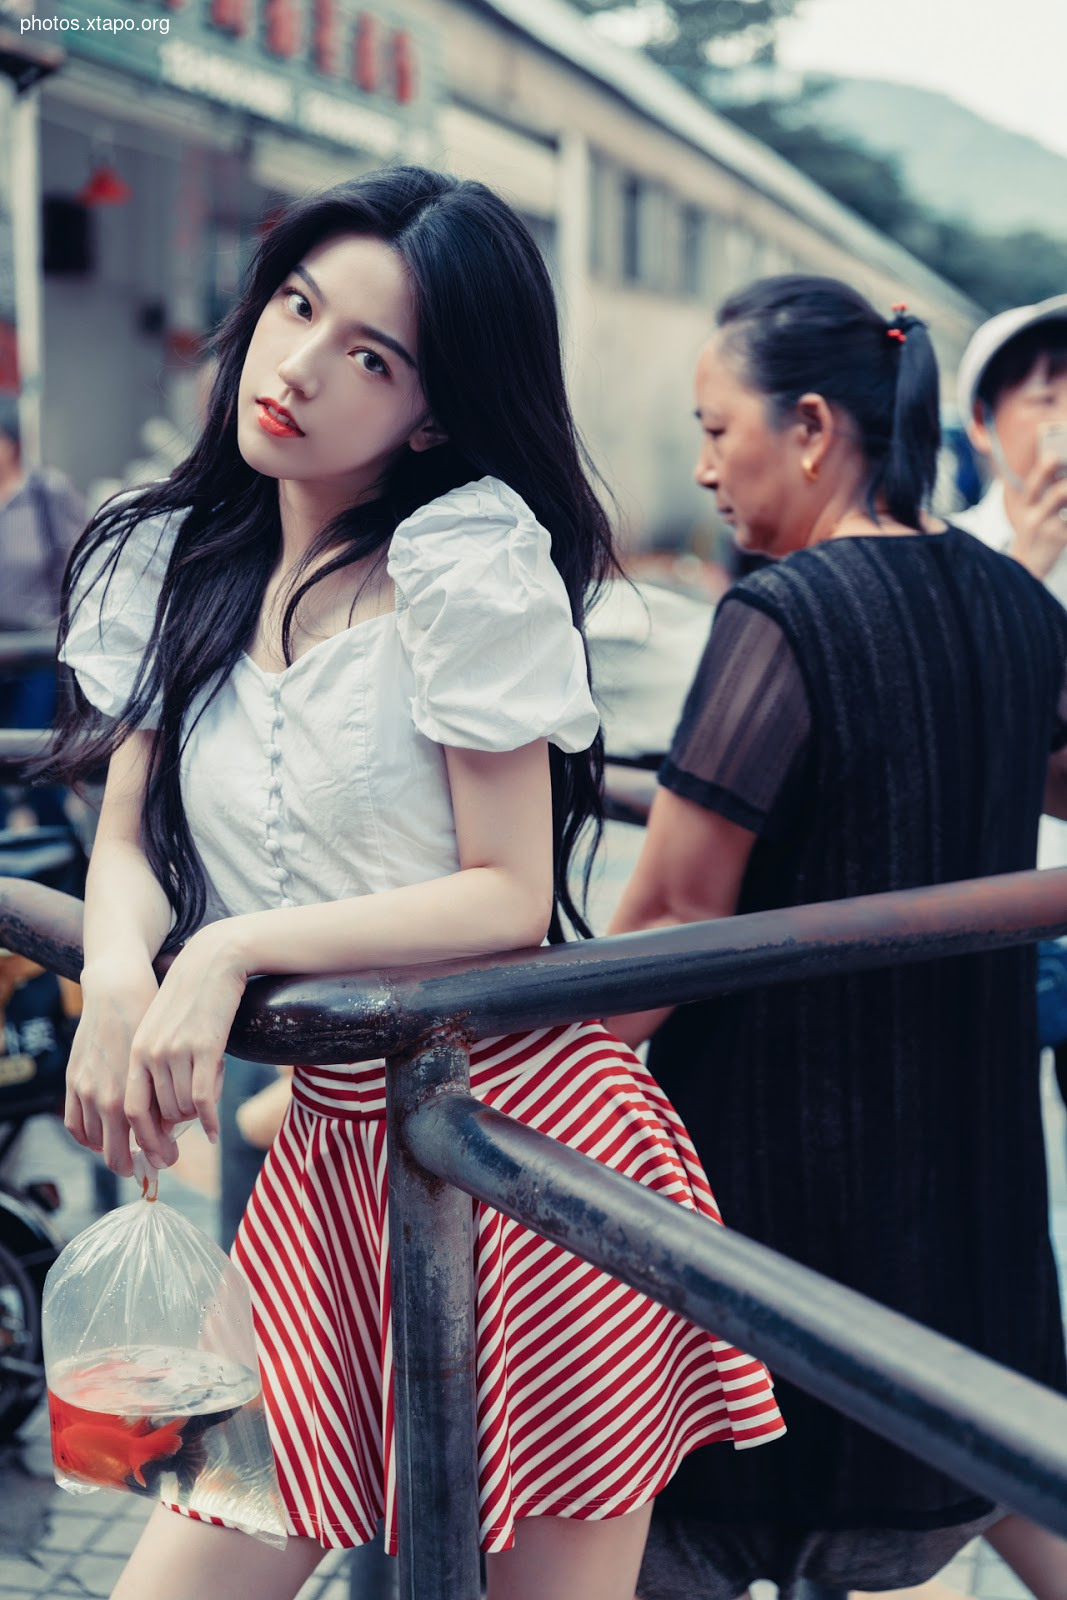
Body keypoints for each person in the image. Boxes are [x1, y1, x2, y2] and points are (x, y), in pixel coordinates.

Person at [46, 168, 784, 1600]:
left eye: (368, 355)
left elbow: (507, 895)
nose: (301, 364)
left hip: (524, 1144)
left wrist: (230, 951)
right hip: (330, 1161)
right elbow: (129, 839)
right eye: (298, 307)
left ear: (431, 410)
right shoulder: (172, 557)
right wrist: (125, 976)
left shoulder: (462, 566)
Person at [606, 275, 1067, 1600]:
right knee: (979, 1465)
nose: (700, 467)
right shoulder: (1013, 605)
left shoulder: (780, 617)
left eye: (713, 428)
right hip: (965, 1237)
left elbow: (667, 916)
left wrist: (487, 1076)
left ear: (808, 426)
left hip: (776, 1217)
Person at [953, 296, 1067, 1055]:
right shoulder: (951, 554)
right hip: (994, 905)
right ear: (980, 423)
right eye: (1045, 397)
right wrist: (1027, 570)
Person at [0, 397, 86, 826]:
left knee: (38, 766)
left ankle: (60, 864)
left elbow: (80, 564)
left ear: (10, 443)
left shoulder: (44, 492)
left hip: (38, 652)